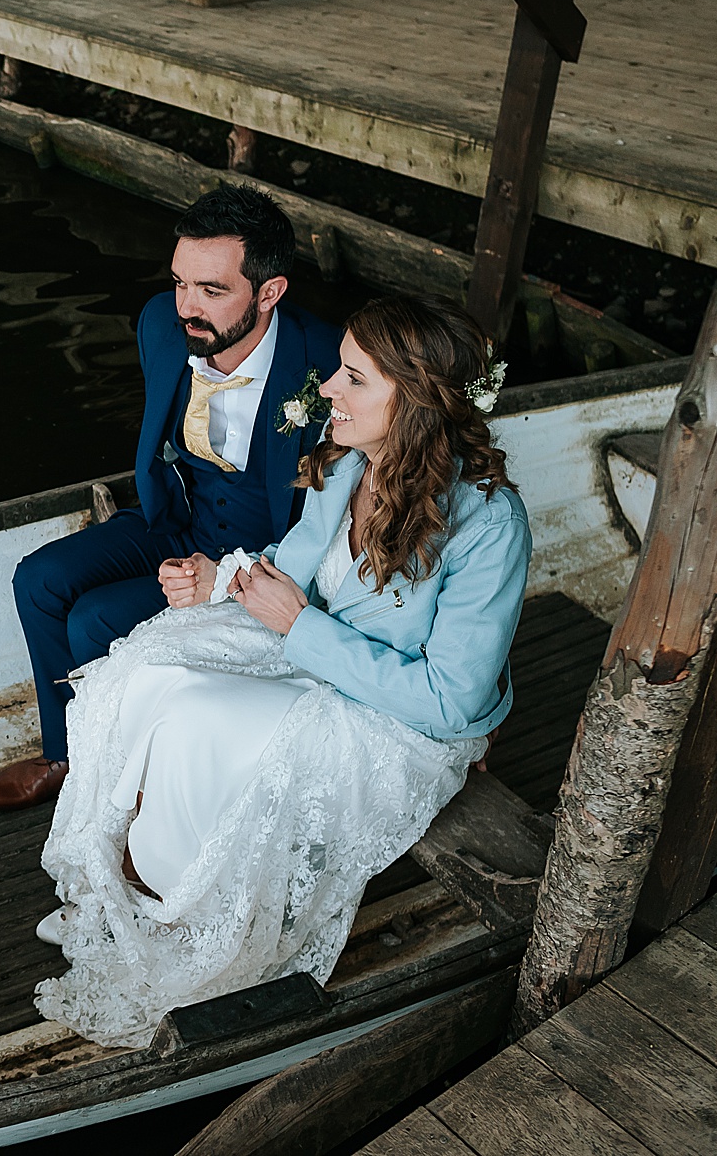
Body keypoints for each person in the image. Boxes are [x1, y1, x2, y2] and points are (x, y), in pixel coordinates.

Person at [30, 294, 528, 1048]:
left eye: (354, 379)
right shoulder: (347, 464)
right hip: (310, 650)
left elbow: (448, 698)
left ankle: (188, 916)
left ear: (417, 405)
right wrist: (222, 581)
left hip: (396, 716)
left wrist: (300, 628)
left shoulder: (489, 523)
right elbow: (290, 573)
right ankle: (128, 885)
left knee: (203, 716)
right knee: (147, 666)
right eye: (339, 372)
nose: (327, 388)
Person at [0, 186, 342, 811]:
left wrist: (230, 574)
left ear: (269, 292)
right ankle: (67, 755)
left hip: (269, 560)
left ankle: (125, 784)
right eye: (179, 283)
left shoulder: (328, 360)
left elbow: (338, 516)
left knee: (94, 619)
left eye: (211, 290)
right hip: (179, 519)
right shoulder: (161, 325)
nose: (186, 308)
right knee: (39, 580)